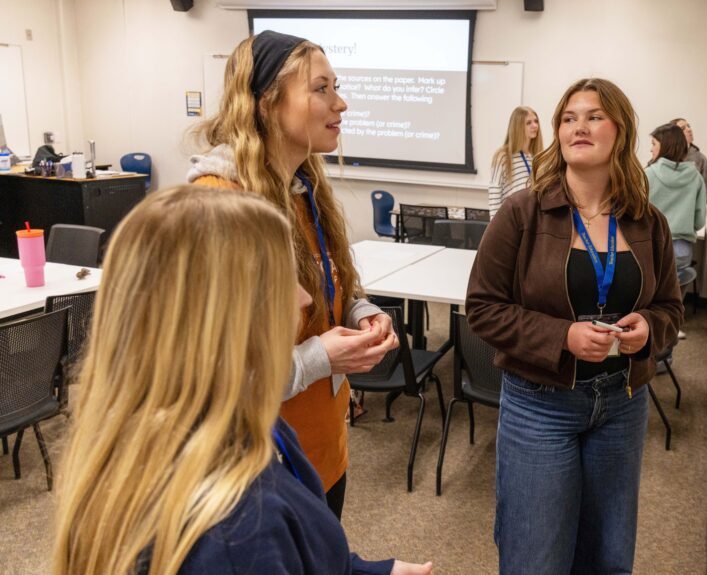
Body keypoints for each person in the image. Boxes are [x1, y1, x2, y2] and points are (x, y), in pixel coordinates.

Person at [52, 185, 433, 575]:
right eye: (286, 276)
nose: (305, 298)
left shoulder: (169, 432)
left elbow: (304, 554)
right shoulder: (240, 532)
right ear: (229, 312)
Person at [466, 78, 682, 574]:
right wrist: (562, 336)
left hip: (622, 404)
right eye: (568, 117)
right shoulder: (523, 213)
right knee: (536, 559)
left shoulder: (648, 223)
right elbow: (481, 307)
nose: (578, 126)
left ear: (620, 131)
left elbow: (671, 307)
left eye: (593, 116)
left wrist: (649, 328)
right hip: (539, 405)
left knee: (607, 558)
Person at [187, 30, 398, 519]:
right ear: (266, 103)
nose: (339, 103)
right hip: (257, 472)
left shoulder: (304, 190)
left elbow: (332, 287)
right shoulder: (222, 204)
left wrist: (360, 311)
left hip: (320, 455)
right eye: (320, 88)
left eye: (336, 86)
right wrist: (320, 357)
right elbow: (216, 378)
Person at [646, 122, 707, 325]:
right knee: (671, 309)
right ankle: (666, 355)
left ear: (664, 146)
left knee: (645, 306)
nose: (651, 149)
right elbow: (699, 221)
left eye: (654, 144)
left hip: (650, 246)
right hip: (681, 251)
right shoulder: (696, 178)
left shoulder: (647, 175)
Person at [488, 106, 543, 217]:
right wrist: (496, 229)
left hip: (530, 219)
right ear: (518, 127)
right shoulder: (503, 156)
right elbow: (494, 193)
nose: (535, 126)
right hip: (510, 220)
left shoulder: (536, 157)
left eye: (536, 121)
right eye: (529, 123)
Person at [673, 117, 707, 203]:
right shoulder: (665, 158)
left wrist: (691, 205)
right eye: (683, 128)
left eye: (688, 126)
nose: (689, 129)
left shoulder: (701, 159)